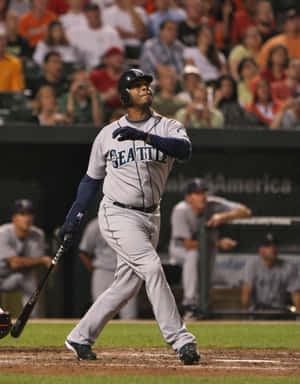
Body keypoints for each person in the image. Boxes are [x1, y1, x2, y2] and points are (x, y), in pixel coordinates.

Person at [58, 68, 200, 365]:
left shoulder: (168, 126)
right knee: (151, 267)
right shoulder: (107, 134)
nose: (145, 88)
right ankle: (181, 340)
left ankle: (80, 336)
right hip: (117, 213)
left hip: (152, 215)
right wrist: (74, 216)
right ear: (125, 96)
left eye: (146, 84)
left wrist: (145, 136)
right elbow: (90, 180)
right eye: (136, 86)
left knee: (127, 284)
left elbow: (184, 150)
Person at [169, 178, 251, 319]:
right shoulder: (180, 210)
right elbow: (188, 244)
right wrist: (219, 244)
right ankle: (190, 304)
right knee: (193, 254)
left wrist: (223, 216)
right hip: (180, 251)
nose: (202, 196)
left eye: (204, 192)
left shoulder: (212, 204)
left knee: (203, 260)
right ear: (188, 197)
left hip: (206, 249)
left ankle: (203, 306)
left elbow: (245, 211)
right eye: (197, 193)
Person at [0, 199, 52, 317]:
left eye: (30, 214)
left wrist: (38, 260)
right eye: (22, 214)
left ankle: (31, 320)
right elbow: (15, 264)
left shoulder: (37, 234)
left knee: (28, 279)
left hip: (13, 277)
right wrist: (43, 260)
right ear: (14, 218)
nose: (27, 218)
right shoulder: (3, 233)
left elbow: (31, 264)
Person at [79, 218, 138, 319]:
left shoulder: (131, 223)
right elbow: (83, 252)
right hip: (103, 271)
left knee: (130, 315)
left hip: (126, 271)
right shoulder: (95, 225)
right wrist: (95, 270)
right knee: (100, 315)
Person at [241, 233, 300, 312]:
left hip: (280, 311)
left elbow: (296, 294)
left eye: (274, 245)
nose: (272, 248)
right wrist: (244, 316)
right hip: (258, 311)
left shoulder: (288, 267)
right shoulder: (252, 266)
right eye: (268, 246)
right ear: (260, 249)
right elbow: (246, 293)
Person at [66, 3, 123, 70]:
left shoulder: (111, 32)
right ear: (86, 15)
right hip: (84, 69)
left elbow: (119, 52)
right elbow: (68, 50)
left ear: (100, 13)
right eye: (90, 13)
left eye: (95, 13)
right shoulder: (75, 32)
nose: (93, 15)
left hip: (106, 69)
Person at [89, 46, 125, 113]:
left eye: (121, 56)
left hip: (123, 112)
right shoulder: (96, 75)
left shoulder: (127, 77)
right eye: (114, 56)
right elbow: (89, 97)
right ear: (106, 60)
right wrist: (105, 96)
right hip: (102, 111)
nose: (119, 58)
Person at [0, 26, 25, 92]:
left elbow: (17, 89)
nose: (1, 42)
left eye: (3, 39)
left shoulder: (15, 62)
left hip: (7, 100)